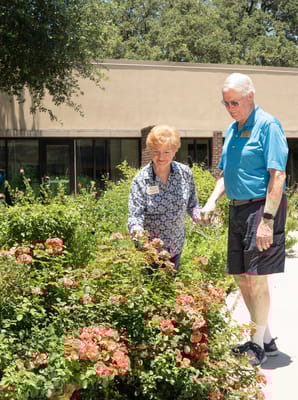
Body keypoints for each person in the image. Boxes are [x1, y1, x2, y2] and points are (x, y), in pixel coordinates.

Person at [198, 73, 288, 366]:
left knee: (256, 278)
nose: (230, 108)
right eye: (225, 103)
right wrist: (211, 202)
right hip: (237, 209)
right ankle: (265, 338)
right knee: (241, 276)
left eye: (234, 102)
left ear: (250, 97)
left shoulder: (268, 126)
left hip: (262, 208)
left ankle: (256, 344)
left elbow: (278, 175)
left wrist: (267, 220)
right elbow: (226, 175)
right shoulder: (233, 130)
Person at [127, 124, 200, 270]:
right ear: (149, 150)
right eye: (156, 151)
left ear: (174, 151)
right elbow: (135, 215)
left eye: (166, 152)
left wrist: (197, 215)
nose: (161, 157)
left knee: (169, 288)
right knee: (151, 290)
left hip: (175, 246)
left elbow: (193, 204)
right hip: (149, 250)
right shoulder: (141, 179)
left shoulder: (184, 173)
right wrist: (137, 231)